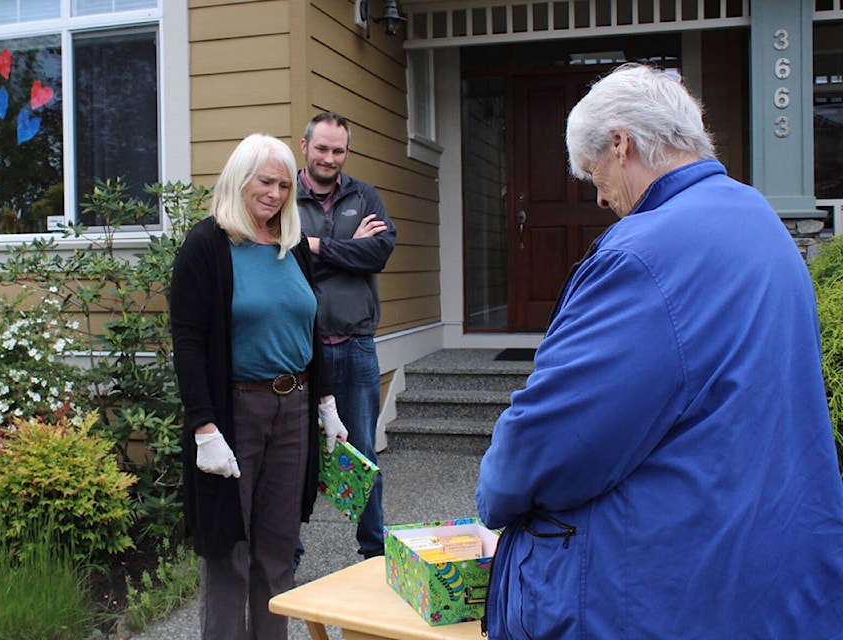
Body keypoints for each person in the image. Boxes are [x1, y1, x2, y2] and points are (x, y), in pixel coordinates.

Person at [476, 63, 843, 639]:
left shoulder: (642, 254)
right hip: (757, 572)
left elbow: (558, 440)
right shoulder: (760, 219)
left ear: (620, 144)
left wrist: (492, 494)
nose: (598, 197)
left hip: (658, 592)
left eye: (593, 174)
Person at [170, 133, 348, 640]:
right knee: (229, 548)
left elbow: (310, 326)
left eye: (283, 185)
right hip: (234, 412)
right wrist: (204, 427)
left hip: (293, 409)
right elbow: (187, 342)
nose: (274, 193)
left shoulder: (292, 246)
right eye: (264, 182)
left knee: (277, 550)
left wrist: (327, 402)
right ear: (239, 180)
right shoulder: (207, 245)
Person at [295, 112, 396, 561]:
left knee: (362, 451)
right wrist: (347, 248)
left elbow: (378, 252)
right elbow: (281, 259)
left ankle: (373, 550)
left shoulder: (364, 195)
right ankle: (287, 553)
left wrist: (315, 246)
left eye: (338, 150)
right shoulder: (284, 199)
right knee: (294, 450)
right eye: (322, 148)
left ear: (347, 152)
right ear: (304, 147)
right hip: (300, 348)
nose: (329, 158)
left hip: (356, 346)